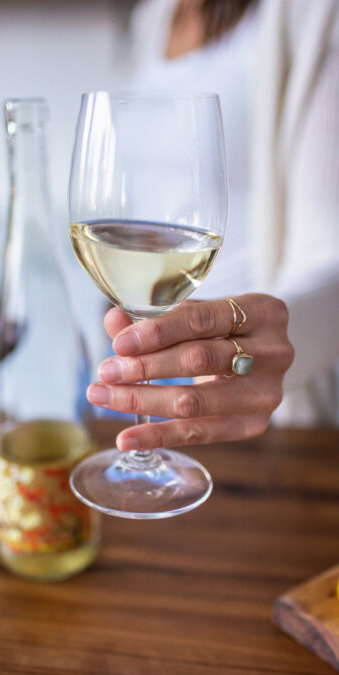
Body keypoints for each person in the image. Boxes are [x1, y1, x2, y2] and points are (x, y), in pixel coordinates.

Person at [86, 0, 339, 451]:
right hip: (129, 342)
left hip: (232, 380)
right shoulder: (155, 15)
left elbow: (331, 257)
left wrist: (274, 342)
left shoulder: (311, 13)